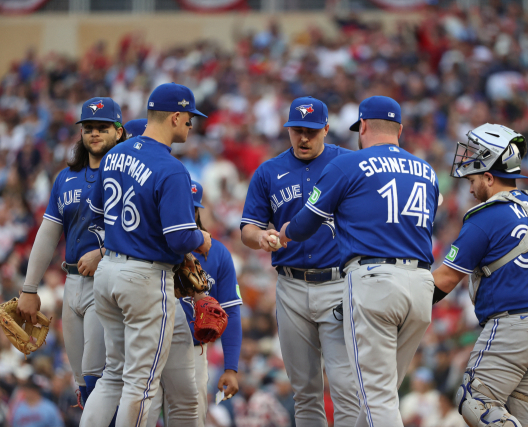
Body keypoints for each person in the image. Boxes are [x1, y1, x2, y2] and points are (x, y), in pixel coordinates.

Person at [280, 96, 439, 427]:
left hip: (375, 281)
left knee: (375, 397)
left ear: (363, 126)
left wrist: (284, 231)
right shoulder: (427, 170)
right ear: (400, 129)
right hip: (422, 283)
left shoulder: (348, 164)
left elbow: (304, 224)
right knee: (381, 393)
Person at [79, 83, 212, 427]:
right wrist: (202, 239)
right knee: (141, 383)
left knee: (113, 376)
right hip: (145, 279)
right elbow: (180, 236)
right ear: (176, 116)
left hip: (108, 271)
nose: (191, 126)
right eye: (189, 119)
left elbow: (94, 213)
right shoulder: (171, 169)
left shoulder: (115, 154)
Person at [430, 123, 528, 427]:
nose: (469, 184)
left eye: (473, 176)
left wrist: (403, 300)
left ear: (490, 176)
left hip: (514, 326)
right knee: (524, 416)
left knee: (473, 400)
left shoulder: (485, 219)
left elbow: (443, 281)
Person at [240, 96, 359, 427]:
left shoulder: (349, 163)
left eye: (310, 131)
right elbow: (247, 227)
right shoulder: (269, 171)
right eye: (296, 131)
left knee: (345, 388)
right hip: (290, 286)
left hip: (338, 284)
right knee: (305, 391)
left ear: (325, 129)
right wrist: (260, 237)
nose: (303, 138)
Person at [16, 97, 126, 406]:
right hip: (73, 282)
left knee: (96, 378)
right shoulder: (65, 178)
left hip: (109, 279)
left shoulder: (128, 175)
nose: (94, 133)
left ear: (118, 131)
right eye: (88, 127)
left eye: (102, 128)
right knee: (82, 385)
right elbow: (48, 235)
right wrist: (29, 288)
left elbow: (142, 228)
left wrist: (103, 252)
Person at [147, 178, 243, 427]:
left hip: (194, 349)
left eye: (191, 207)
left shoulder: (218, 253)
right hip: (149, 345)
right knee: (143, 415)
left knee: (191, 417)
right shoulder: (148, 247)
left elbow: (230, 311)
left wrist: (231, 367)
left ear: (198, 210)